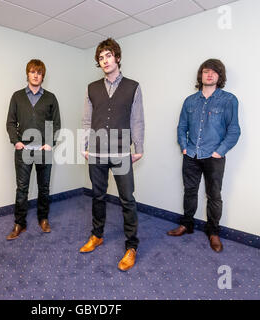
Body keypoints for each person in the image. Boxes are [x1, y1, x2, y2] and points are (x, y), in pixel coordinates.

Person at [79, 38, 145, 271]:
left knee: (127, 199)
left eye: (108, 55)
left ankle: (131, 246)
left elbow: (137, 119)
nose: (105, 60)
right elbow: (87, 120)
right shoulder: (91, 88)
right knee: (98, 195)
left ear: (117, 58)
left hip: (120, 151)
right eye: (101, 57)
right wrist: (84, 145)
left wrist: (138, 147)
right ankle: (97, 235)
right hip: (96, 150)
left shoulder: (133, 87)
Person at [167, 58, 241, 252]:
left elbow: (234, 130)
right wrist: (184, 147)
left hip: (213, 157)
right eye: (206, 71)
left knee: (214, 195)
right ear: (201, 75)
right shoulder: (190, 101)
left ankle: (213, 232)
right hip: (191, 154)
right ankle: (187, 224)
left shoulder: (228, 100)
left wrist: (219, 152)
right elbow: (182, 126)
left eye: (214, 72)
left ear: (219, 76)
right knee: (189, 191)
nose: (209, 74)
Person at [6, 59, 61, 240]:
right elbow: (11, 122)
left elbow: (56, 124)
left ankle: (43, 219)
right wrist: (16, 141)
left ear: (42, 76)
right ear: (27, 74)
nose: (35, 75)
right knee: (22, 189)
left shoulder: (50, 98)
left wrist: (50, 143)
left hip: (44, 150)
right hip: (24, 150)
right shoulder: (17, 96)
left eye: (39, 72)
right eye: (32, 72)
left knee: (44, 188)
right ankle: (19, 223)